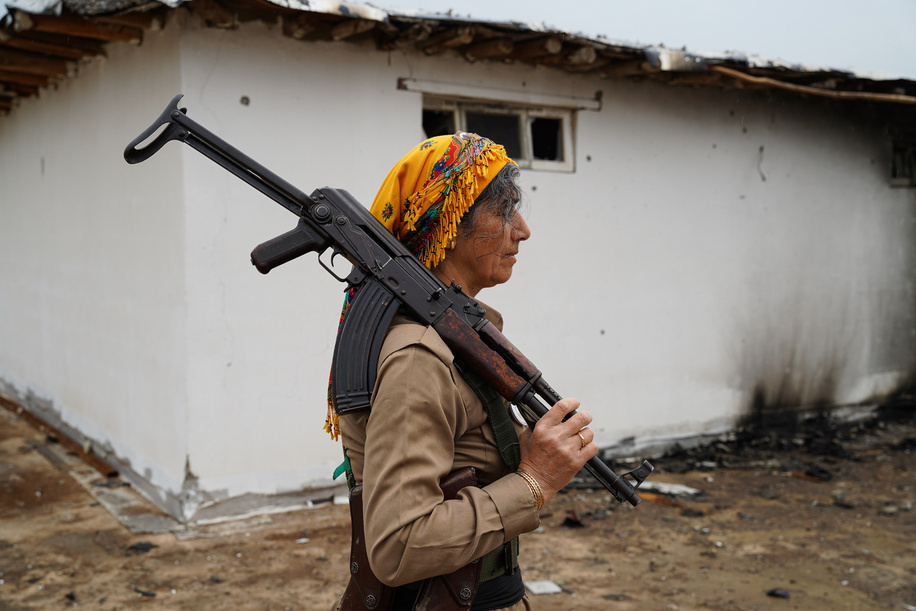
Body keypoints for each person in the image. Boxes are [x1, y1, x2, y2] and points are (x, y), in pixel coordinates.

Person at [329, 132, 599, 610]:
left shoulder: (457, 336)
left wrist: (528, 451)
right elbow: (398, 545)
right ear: (449, 225)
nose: (522, 230)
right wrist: (533, 482)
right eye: (504, 211)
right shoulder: (418, 357)